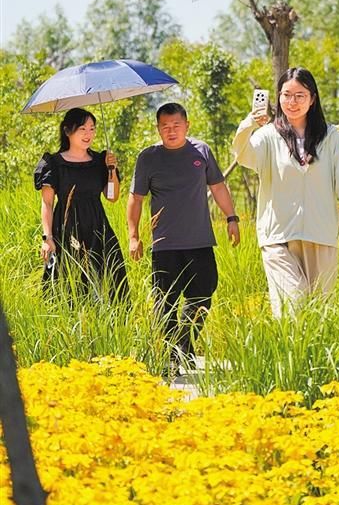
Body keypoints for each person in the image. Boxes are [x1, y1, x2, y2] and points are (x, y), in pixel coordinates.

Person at [233, 67, 339, 316]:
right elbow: (244, 155)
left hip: (320, 235)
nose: (292, 102)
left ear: (312, 99)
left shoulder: (330, 137)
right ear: (278, 97)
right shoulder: (268, 136)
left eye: (300, 95)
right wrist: (249, 124)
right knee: (292, 304)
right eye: (286, 95)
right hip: (278, 236)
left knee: (320, 310)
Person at [127, 102, 240, 372]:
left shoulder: (201, 151)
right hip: (164, 245)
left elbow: (218, 186)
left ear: (187, 125)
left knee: (203, 293)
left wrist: (232, 218)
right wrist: (133, 235)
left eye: (176, 125)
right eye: (165, 126)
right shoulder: (148, 157)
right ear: (158, 128)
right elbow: (136, 199)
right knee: (165, 301)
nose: (171, 130)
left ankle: (183, 344)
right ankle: (171, 355)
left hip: (200, 241)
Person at [34, 107, 128, 298]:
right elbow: (47, 203)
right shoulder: (54, 163)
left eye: (92, 129)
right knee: (67, 281)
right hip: (65, 227)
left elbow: (112, 197)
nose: (88, 134)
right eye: (82, 129)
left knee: (109, 279)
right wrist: (47, 238)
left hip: (97, 226)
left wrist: (111, 170)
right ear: (67, 131)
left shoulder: (100, 160)